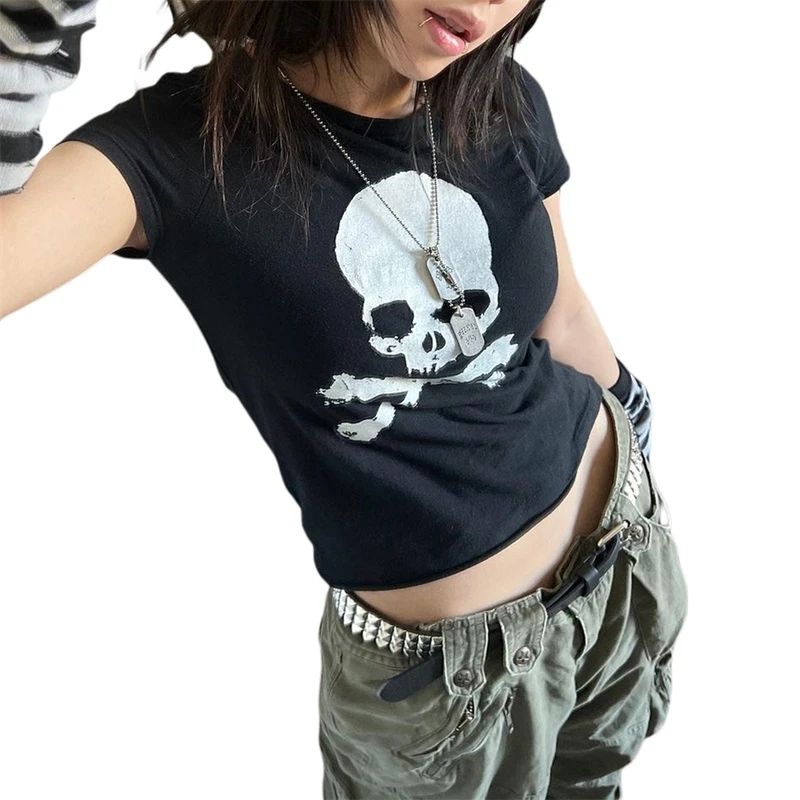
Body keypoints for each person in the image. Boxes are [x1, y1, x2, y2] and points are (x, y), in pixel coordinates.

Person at [0, 1, 689, 797]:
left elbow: (561, 315)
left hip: (625, 557)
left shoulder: (499, 93)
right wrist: (31, 25)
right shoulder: (175, 151)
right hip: (445, 691)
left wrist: (639, 436)